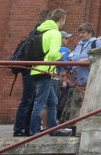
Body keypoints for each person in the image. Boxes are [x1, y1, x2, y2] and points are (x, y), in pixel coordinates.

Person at [29, 9, 71, 137]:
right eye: (64, 20)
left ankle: (52, 129)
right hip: (45, 70)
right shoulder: (55, 33)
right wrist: (60, 55)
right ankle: (34, 132)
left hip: (36, 69)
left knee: (52, 101)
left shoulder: (43, 30)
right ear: (61, 19)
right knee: (40, 102)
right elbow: (53, 53)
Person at [14, 11, 49, 137]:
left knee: (30, 99)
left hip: (28, 69)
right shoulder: (38, 34)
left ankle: (25, 128)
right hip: (31, 70)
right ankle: (19, 129)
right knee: (28, 99)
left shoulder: (33, 33)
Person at [61, 23, 101, 125]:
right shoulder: (79, 44)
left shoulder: (96, 43)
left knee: (82, 104)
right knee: (72, 105)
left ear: (90, 33)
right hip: (75, 79)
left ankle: (80, 125)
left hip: (87, 79)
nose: (80, 35)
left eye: (83, 32)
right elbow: (74, 56)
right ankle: (71, 125)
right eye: (80, 33)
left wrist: (88, 60)